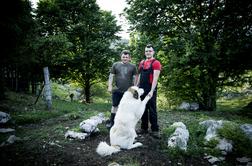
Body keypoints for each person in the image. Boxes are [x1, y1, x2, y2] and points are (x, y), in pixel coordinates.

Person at [135, 44, 162, 139]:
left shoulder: (156, 63)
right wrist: (136, 87)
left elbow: (155, 78)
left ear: (153, 52)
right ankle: (144, 128)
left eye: (150, 51)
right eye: (146, 51)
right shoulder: (142, 62)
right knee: (143, 109)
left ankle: (155, 130)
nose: (148, 52)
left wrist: (152, 91)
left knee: (152, 109)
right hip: (142, 89)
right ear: (144, 52)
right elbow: (139, 76)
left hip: (151, 89)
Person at [106, 50, 137, 129]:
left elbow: (135, 78)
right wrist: (109, 86)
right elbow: (111, 76)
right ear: (121, 57)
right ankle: (112, 122)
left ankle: (126, 124)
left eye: (126, 57)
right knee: (114, 106)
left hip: (129, 91)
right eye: (123, 57)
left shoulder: (133, 66)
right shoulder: (115, 65)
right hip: (117, 90)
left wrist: (135, 88)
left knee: (127, 108)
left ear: (129, 58)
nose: (125, 58)